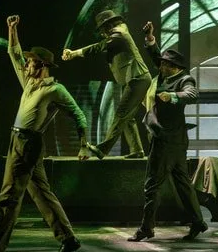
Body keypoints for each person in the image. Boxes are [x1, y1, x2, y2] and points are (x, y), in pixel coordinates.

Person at [0, 15, 93, 252]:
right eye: (27, 63)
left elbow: (79, 115)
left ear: (41, 65)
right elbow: (13, 54)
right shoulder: (29, 84)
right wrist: (12, 29)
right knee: (42, 194)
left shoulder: (54, 90)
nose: (25, 65)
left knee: (8, 197)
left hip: (28, 144)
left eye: (30, 63)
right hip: (17, 141)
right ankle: (68, 239)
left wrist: (83, 145)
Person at [127, 21, 207, 242]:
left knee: (152, 184)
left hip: (167, 140)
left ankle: (146, 228)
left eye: (164, 64)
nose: (159, 66)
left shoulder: (184, 80)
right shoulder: (164, 75)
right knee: (183, 184)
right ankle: (198, 222)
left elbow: (192, 95)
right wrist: (150, 38)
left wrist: (172, 96)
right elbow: (155, 55)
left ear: (174, 67)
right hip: (173, 140)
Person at [62, 9, 151, 159]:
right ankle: (137, 150)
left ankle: (103, 149)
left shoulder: (119, 33)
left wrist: (75, 53)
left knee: (121, 114)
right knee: (127, 118)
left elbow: (100, 46)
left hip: (137, 78)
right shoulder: (119, 34)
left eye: (102, 29)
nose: (102, 33)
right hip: (136, 79)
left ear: (108, 26)